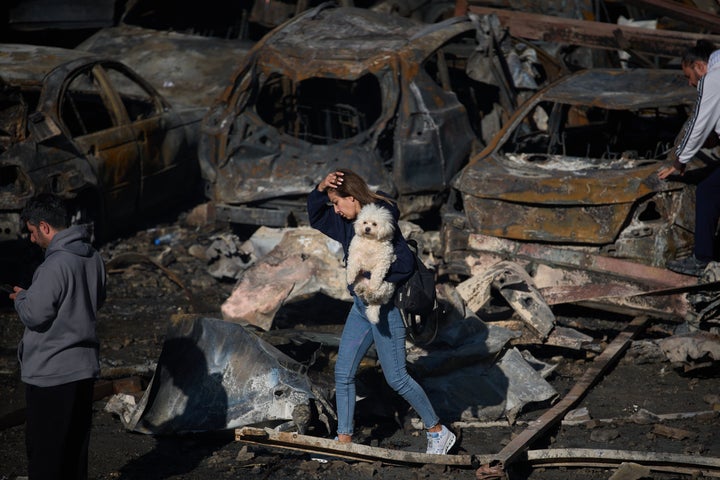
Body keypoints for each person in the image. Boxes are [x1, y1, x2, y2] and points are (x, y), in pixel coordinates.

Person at [307, 169, 455, 455]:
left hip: (386, 308)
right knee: (343, 372)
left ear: (353, 198)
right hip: (361, 308)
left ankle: (438, 431)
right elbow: (315, 216)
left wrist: (377, 283)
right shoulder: (345, 224)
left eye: (338, 203)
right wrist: (320, 187)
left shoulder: (382, 223)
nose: (335, 211)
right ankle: (344, 440)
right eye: (333, 205)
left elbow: (405, 265)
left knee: (396, 377)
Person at [8, 193, 107, 480]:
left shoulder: (54, 265)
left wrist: (21, 298)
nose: (31, 239)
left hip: (52, 375)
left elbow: (36, 315)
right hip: (83, 370)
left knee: (46, 456)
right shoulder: (94, 258)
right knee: (75, 453)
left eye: (32, 232)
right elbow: (95, 300)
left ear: (45, 227)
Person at [659, 39, 720, 276]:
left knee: (707, 191)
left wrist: (679, 159)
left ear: (699, 66)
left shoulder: (712, 78)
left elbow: (698, 122)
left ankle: (701, 259)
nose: (691, 82)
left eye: (689, 75)